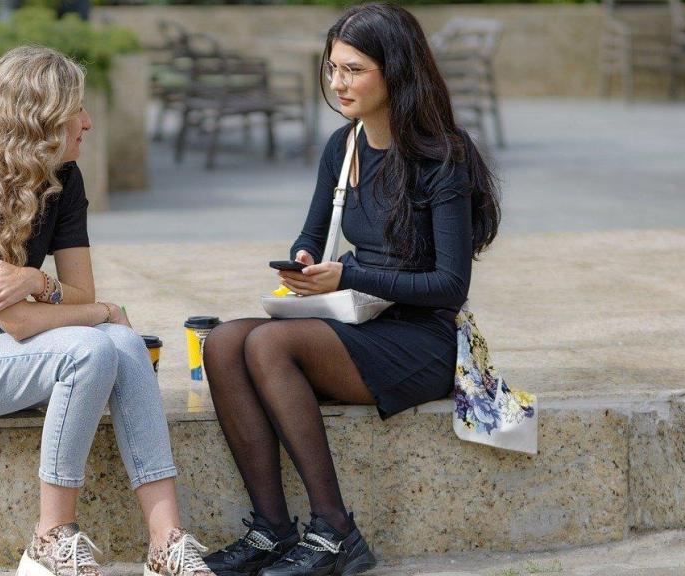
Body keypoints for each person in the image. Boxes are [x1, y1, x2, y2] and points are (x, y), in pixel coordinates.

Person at [201, 5, 501, 576]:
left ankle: (336, 532)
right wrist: (304, 263)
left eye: (354, 70)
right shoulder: (344, 147)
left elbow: (450, 286)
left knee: (267, 346)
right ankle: (270, 531)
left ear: (396, 72)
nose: (338, 83)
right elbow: (312, 236)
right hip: (357, 321)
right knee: (222, 342)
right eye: (333, 68)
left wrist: (349, 275)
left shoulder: (443, 155)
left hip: (421, 339)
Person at [0, 46, 214, 576]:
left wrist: (37, 281)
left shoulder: (64, 180)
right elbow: (22, 320)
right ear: (38, 120)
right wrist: (97, 308)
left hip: (16, 347)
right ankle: (50, 537)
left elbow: (76, 294)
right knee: (91, 346)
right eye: (76, 111)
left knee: (126, 343)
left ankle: (166, 541)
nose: (87, 123)